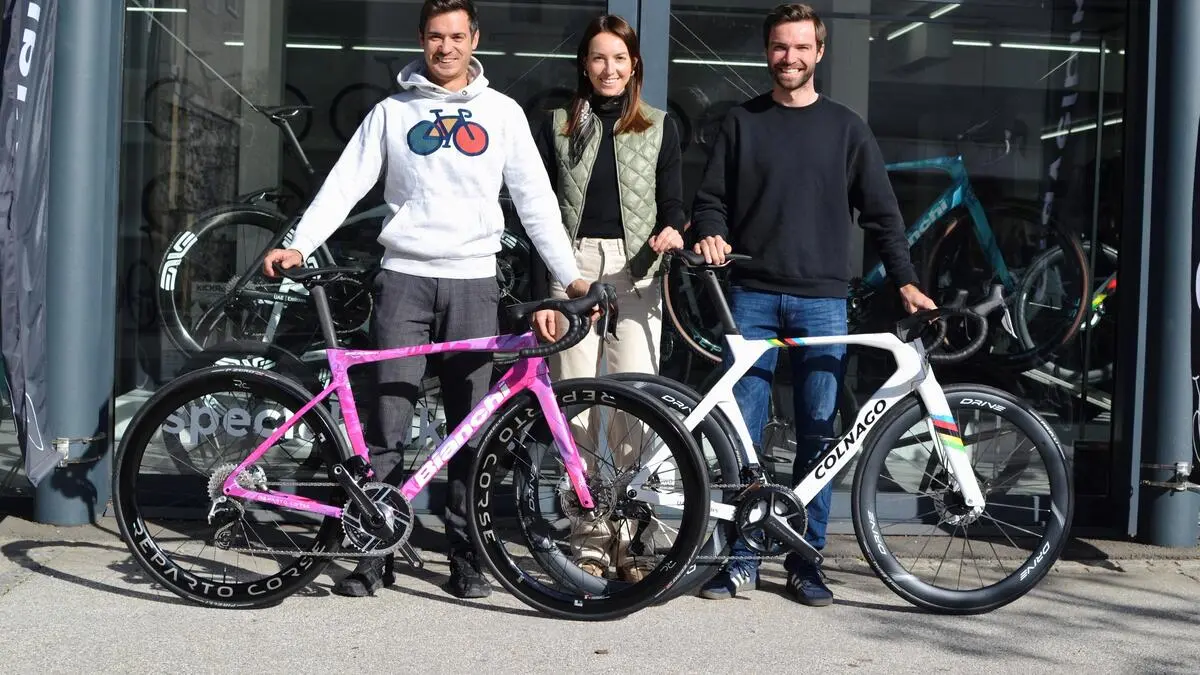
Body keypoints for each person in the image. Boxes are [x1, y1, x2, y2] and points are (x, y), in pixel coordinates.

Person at [262, 0, 590, 600]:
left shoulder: (502, 113)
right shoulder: (392, 112)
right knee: (387, 423)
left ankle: (466, 555)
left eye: (457, 36)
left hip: (474, 282)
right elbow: (344, 184)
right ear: (421, 39)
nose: (446, 47)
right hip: (403, 281)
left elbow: (537, 202)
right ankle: (373, 550)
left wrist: (570, 278)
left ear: (475, 39)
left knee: (469, 428)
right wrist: (298, 243)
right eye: (436, 36)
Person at [688, 3, 936, 607]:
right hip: (749, 295)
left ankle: (806, 560)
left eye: (801, 47)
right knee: (740, 436)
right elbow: (711, 200)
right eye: (780, 46)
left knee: (819, 435)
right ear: (767, 51)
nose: (790, 57)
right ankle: (740, 557)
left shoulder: (846, 129)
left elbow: (883, 216)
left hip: (822, 300)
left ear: (819, 52)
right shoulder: (741, 122)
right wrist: (711, 232)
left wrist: (905, 281)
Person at [527, 14, 686, 583]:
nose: (609, 68)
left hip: (635, 269)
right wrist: (543, 293)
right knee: (575, 407)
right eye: (599, 58)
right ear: (585, 65)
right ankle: (589, 540)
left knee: (633, 407)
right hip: (569, 266)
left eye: (619, 58)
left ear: (634, 64)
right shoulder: (556, 126)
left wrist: (673, 230)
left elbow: (673, 204)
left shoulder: (660, 127)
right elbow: (537, 212)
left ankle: (629, 539)